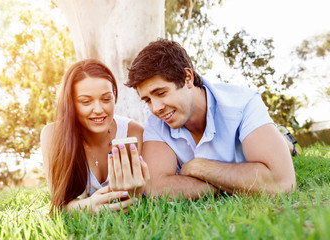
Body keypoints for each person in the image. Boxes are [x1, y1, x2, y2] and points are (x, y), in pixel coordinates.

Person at [125, 38, 296, 199]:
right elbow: (157, 188)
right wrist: (236, 183)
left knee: (282, 148)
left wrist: (198, 167)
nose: (156, 108)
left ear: (188, 78)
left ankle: (285, 141)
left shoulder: (244, 104)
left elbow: (281, 183)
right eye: (147, 100)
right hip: (241, 166)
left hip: (250, 131)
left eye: (161, 93)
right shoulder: (156, 119)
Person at [41, 59, 150, 213]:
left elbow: (139, 198)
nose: (98, 109)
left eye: (106, 99)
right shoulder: (52, 135)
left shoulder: (133, 132)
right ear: (70, 104)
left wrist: (136, 194)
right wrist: (88, 207)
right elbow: (58, 205)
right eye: (86, 101)